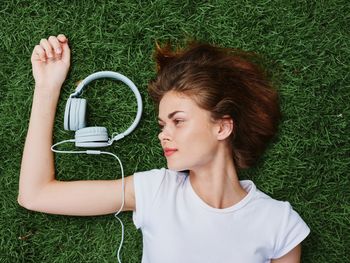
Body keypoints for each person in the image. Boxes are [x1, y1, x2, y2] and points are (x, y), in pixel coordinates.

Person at [18, 34, 310, 263]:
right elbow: (35, 194)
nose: (163, 136)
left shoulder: (279, 222)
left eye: (178, 121)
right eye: (162, 125)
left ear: (222, 127)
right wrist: (46, 87)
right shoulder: (156, 190)